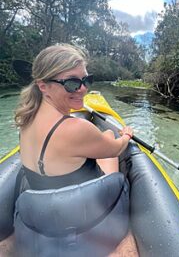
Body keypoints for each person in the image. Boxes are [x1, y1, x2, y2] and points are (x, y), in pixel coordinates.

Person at [10, 44, 137, 255]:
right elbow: (116, 149)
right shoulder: (77, 129)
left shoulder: (25, 119)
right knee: (109, 137)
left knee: (93, 147)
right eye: (71, 83)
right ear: (43, 86)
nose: (83, 89)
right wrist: (126, 134)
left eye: (86, 80)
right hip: (85, 218)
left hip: (41, 219)